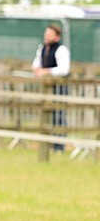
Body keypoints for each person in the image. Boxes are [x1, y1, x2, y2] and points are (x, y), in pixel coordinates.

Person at [32, 23, 71, 151]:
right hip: (46, 87)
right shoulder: (42, 48)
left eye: (50, 34)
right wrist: (37, 70)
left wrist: (46, 71)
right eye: (46, 33)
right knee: (47, 115)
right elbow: (36, 64)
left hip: (59, 88)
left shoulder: (61, 50)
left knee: (59, 116)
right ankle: (47, 144)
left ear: (57, 37)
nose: (47, 36)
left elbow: (64, 69)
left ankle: (59, 146)